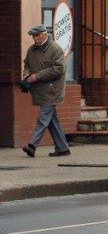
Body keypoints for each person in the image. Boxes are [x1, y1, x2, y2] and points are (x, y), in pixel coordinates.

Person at [21, 24, 71, 157]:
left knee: (43, 119)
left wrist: (37, 76)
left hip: (52, 91)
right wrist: (26, 75)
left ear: (44, 34)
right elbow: (27, 65)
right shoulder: (31, 50)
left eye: (37, 36)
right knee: (52, 120)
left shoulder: (55, 49)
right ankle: (63, 148)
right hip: (40, 91)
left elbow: (58, 69)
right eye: (33, 36)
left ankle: (32, 145)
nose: (35, 39)